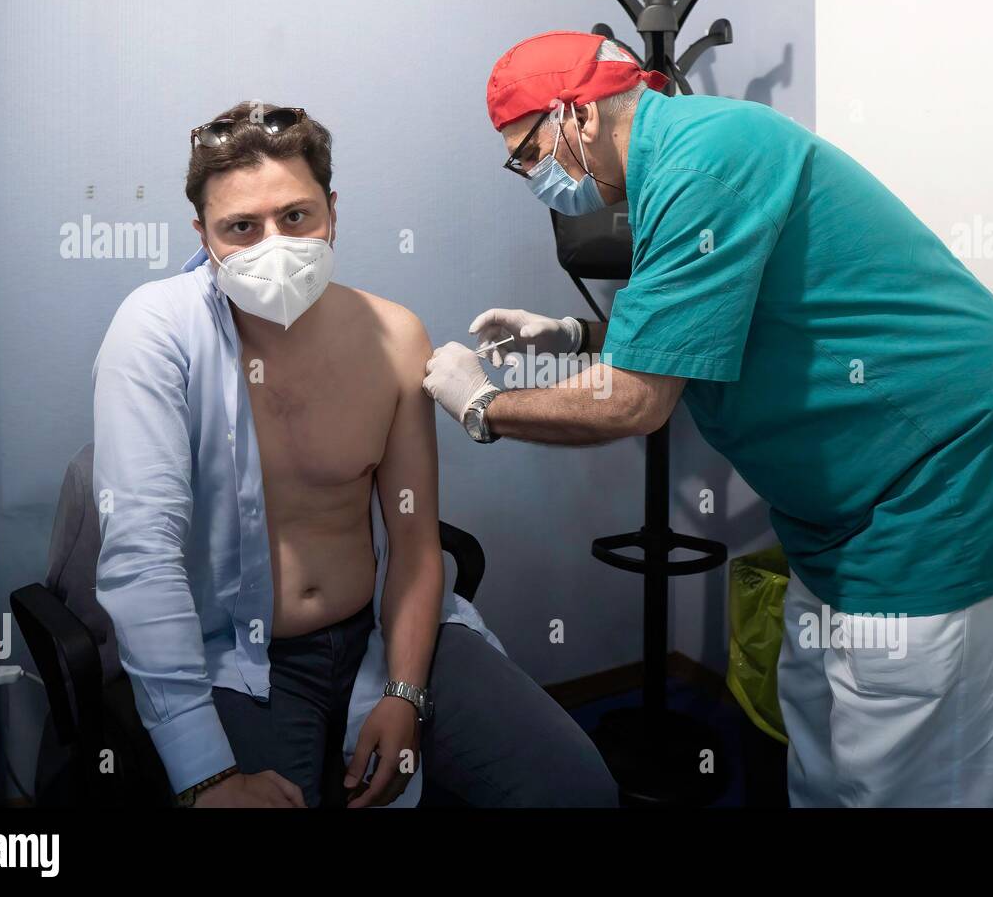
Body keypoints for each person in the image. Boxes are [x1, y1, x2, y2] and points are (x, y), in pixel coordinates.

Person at [422, 31, 993, 806]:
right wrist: (576, 335)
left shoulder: (704, 162)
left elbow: (637, 401)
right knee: (818, 731)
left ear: (574, 114)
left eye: (527, 151)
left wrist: (484, 406)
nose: (534, 176)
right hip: (845, 507)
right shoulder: (677, 163)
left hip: (950, 476)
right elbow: (711, 322)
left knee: (907, 773)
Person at [93, 101, 616, 808]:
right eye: (240, 228)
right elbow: (141, 556)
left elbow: (413, 542)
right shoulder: (156, 332)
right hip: (239, 659)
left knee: (574, 790)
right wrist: (207, 776)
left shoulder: (395, 336)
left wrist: (404, 693)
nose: (272, 244)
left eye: (296, 216)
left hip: (377, 627)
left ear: (332, 212)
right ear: (203, 236)